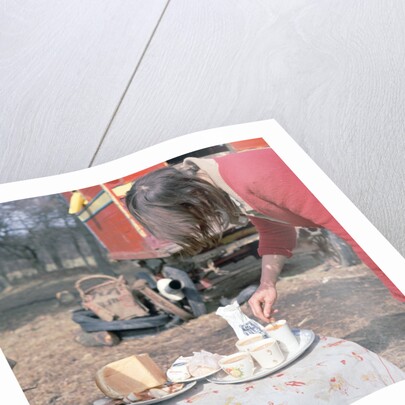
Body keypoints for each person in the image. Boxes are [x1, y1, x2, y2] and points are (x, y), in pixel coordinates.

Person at [125, 148, 405, 322]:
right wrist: (267, 284)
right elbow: (274, 229)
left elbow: (359, 230)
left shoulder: (252, 177)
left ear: (192, 197)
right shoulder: (223, 183)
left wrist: (398, 291)